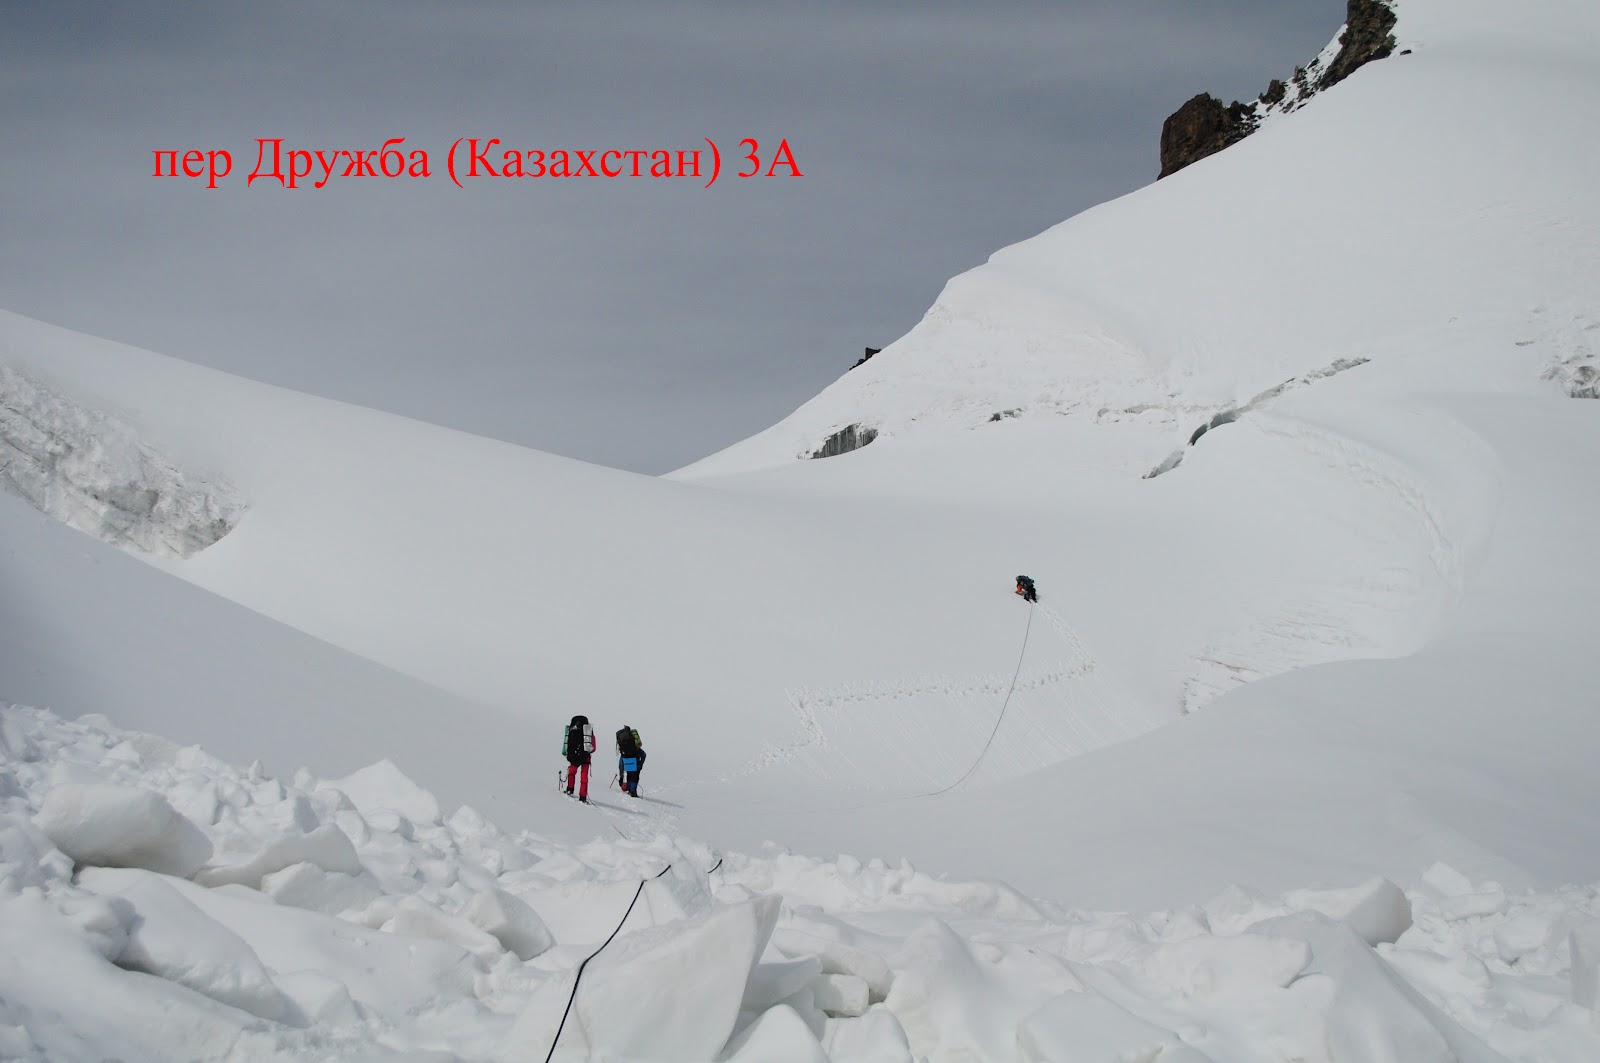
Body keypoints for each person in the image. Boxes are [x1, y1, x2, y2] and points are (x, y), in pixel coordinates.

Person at [563, 714, 595, 802]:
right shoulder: (588, 731)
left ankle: (570, 789)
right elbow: (593, 747)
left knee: (572, 772)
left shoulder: (572, 729)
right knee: (584, 776)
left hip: (574, 755)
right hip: (585, 757)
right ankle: (583, 796)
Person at [616, 725, 646, 798]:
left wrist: (621, 778)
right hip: (635, 760)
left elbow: (620, 765)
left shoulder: (624, 747)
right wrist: (641, 764)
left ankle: (630, 789)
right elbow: (644, 755)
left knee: (629, 774)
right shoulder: (634, 744)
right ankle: (633, 792)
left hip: (626, 760)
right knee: (635, 776)